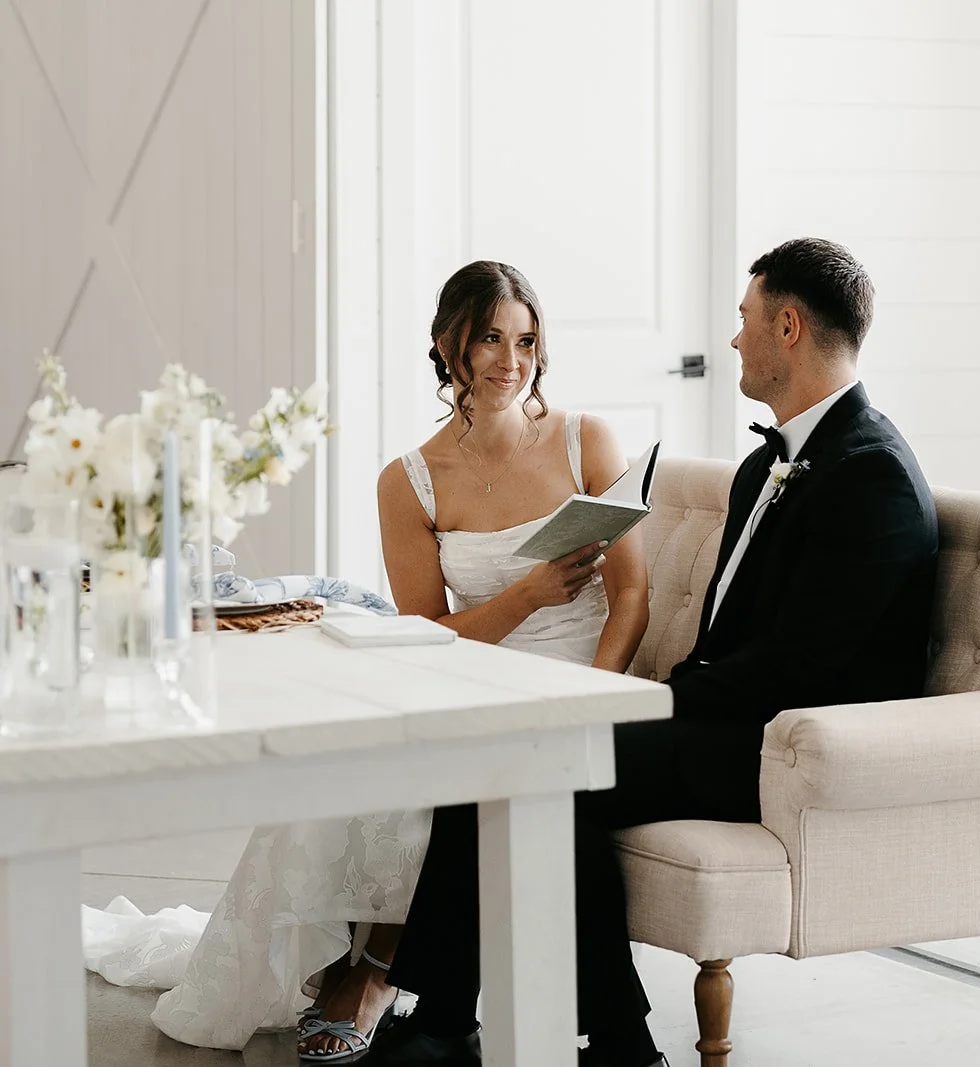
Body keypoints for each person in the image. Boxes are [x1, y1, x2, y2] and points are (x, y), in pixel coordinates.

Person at [366, 238, 939, 1067]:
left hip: (784, 748)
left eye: (744, 321)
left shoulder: (871, 473)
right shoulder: (768, 464)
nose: (734, 340)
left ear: (787, 327)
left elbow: (802, 669)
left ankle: (455, 1017)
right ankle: (593, 1037)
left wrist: (660, 698)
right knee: (520, 763)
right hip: (725, 715)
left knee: (531, 759)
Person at [147, 260, 650, 1059]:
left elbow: (632, 598)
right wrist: (526, 594)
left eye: (525, 340)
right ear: (449, 345)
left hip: (583, 686)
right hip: (472, 679)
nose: (509, 361)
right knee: (386, 761)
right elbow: (429, 630)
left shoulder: (587, 440)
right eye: (489, 337)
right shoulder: (409, 480)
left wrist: (592, 697)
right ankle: (431, 999)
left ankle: (428, 1002)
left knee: (499, 775)